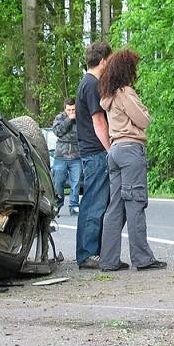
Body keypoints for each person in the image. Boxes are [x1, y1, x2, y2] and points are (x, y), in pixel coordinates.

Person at [98, 49, 167, 271]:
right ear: (127, 70)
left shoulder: (108, 96)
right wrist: (144, 111)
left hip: (115, 150)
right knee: (136, 204)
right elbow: (144, 120)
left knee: (115, 207)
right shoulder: (125, 93)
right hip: (130, 151)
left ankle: (108, 259)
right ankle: (142, 258)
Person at [75, 42, 112, 269]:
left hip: (91, 151)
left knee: (95, 201)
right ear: (103, 61)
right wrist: (110, 149)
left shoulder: (86, 83)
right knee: (94, 204)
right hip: (96, 152)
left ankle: (91, 251)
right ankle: (88, 253)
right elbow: (98, 121)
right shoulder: (92, 85)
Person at [51, 98, 82, 216]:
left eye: (73, 109)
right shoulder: (60, 118)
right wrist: (69, 119)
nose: (72, 112)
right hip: (61, 156)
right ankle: (57, 205)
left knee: (76, 182)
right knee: (58, 182)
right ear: (65, 109)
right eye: (69, 110)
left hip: (76, 156)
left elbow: (82, 134)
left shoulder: (81, 117)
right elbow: (58, 132)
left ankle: (74, 205)